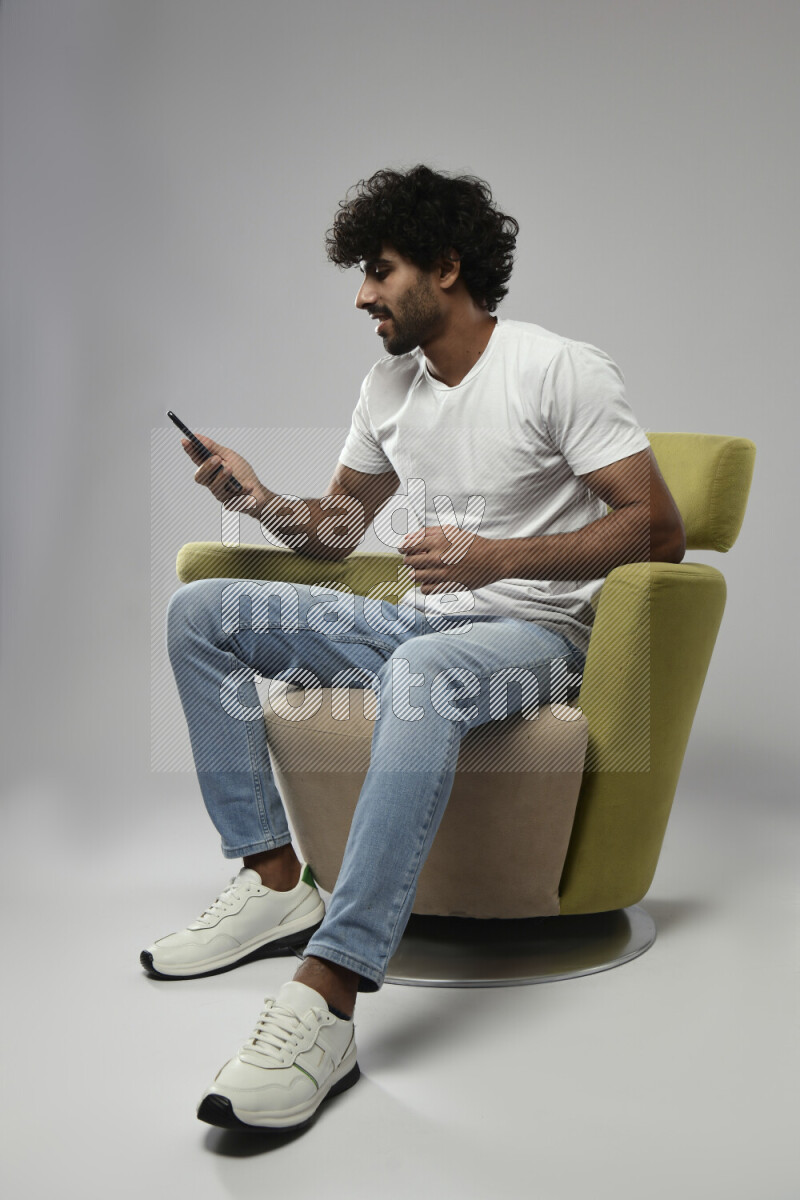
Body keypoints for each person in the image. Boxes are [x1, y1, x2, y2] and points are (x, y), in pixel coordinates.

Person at [143, 165, 685, 1133]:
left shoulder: (555, 369)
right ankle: (274, 882)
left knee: (420, 674)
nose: (360, 295)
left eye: (378, 270)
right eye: (360, 273)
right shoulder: (388, 384)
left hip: (534, 637)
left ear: (446, 266)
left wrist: (495, 560)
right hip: (419, 622)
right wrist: (257, 499)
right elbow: (340, 530)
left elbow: (658, 527)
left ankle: (330, 993)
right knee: (202, 615)